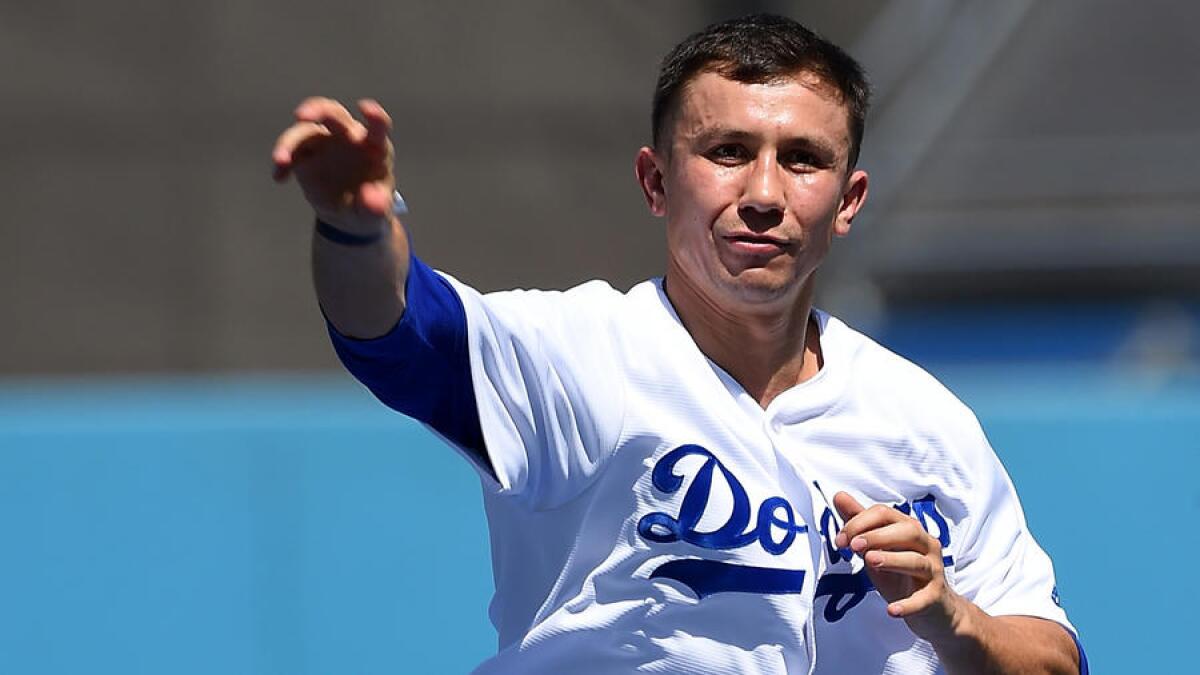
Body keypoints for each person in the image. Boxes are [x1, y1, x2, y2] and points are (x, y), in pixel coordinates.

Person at [272, 14, 1086, 675]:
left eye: (803, 160)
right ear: (656, 181)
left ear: (848, 200)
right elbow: (397, 331)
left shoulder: (923, 417)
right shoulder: (580, 354)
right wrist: (354, 229)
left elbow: (1054, 658)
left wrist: (953, 619)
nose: (764, 193)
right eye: (728, 152)